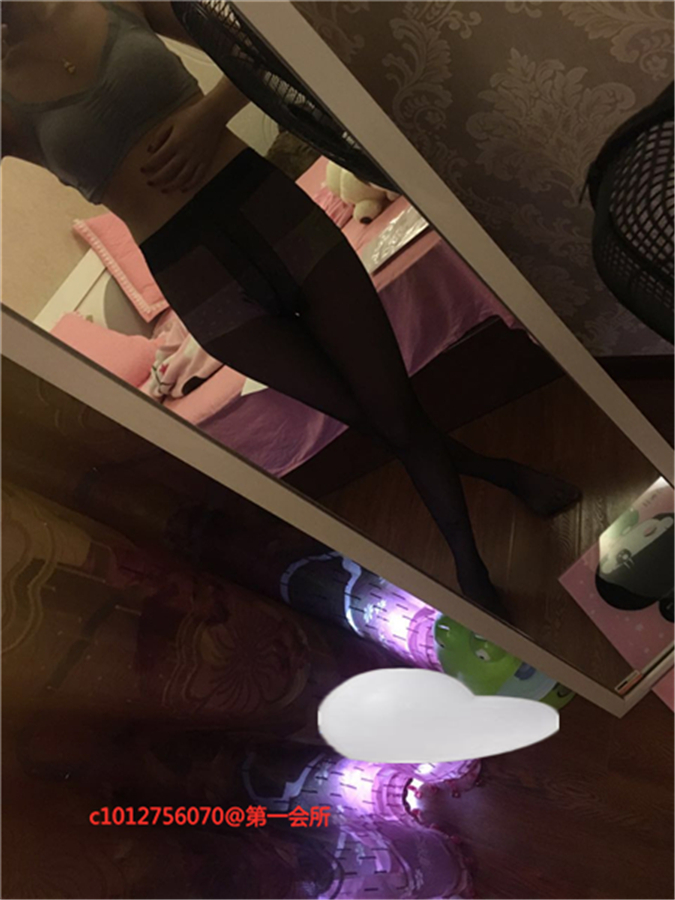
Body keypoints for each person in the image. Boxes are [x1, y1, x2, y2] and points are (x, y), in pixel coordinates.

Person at [1, 1, 579, 618]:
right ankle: (502, 475)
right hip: (199, 283)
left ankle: (469, 565)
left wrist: (206, 117)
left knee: (392, 409)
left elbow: (256, 48)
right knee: (378, 418)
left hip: (276, 215)